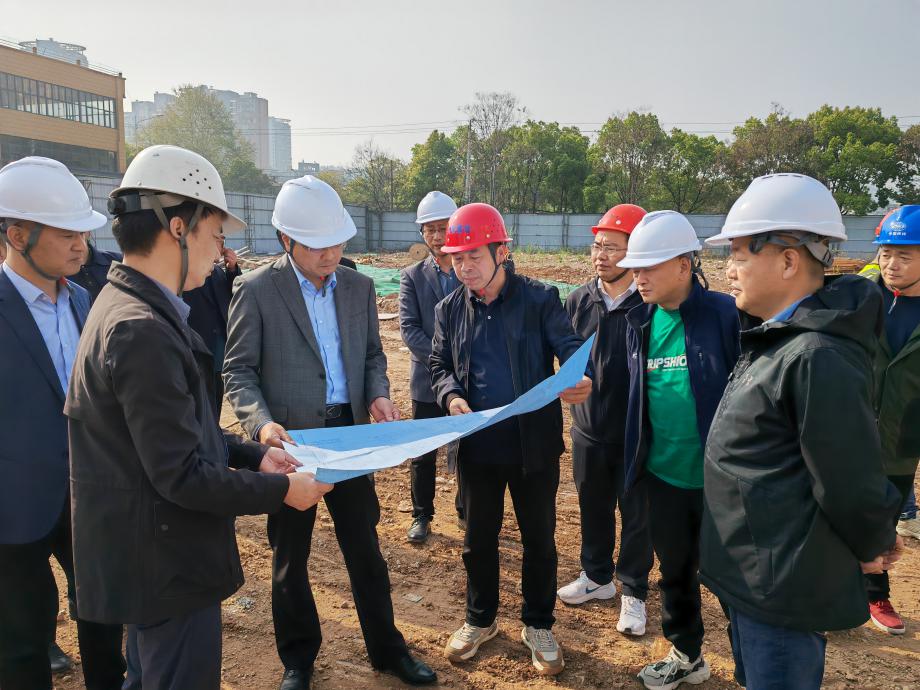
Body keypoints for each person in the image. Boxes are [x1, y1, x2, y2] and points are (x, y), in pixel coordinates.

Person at [65, 145, 331, 690]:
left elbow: (180, 432)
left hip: (148, 557)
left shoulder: (128, 305)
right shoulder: (141, 329)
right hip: (166, 566)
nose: (220, 252)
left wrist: (255, 454)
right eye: (215, 234)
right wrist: (283, 491)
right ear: (178, 227)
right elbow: (181, 475)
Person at [223, 175, 437, 689]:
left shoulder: (358, 286)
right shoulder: (256, 289)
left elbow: (372, 355)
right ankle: (298, 660)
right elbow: (239, 371)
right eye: (317, 245)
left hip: (349, 436)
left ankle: (388, 651)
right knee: (290, 556)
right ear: (285, 239)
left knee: (365, 548)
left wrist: (377, 393)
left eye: (337, 242)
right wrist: (261, 424)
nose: (330, 254)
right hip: (291, 444)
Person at [700, 173, 904, 689]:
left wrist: (873, 540)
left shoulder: (816, 354)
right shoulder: (780, 336)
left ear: (789, 260)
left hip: (782, 584)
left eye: (740, 254)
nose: (729, 270)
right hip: (757, 571)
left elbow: (848, 475)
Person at [430, 202, 592, 677]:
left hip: (531, 447)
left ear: (501, 251)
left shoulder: (540, 299)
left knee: (539, 539)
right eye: (457, 258)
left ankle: (538, 624)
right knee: (477, 540)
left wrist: (578, 376)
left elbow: (569, 347)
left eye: (474, 256)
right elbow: (439, 365)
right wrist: (451, 396)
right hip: (477, 447)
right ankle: (480, 620)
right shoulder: (449, 309)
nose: (464, 267)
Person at [0, 156, 125, 690]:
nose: (82, 246)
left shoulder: (84, 301)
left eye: (84, 233)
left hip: (90, 496)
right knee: (21, 644)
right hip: (14, 507)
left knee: (104, 625)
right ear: (17, 235)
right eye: (67, 234)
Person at [618, 210, 740, 690]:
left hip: (722, 482)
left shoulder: (726, 315)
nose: (639, 277)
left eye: (649, 267)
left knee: (734, 579)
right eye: (635, 268)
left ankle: (753, 664)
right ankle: (687, 654)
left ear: (685, 265)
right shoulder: (640, 320)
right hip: (664, 475)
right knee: (675, 572)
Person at [557, 204, 654, 639]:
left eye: (613, 247)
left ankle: (633, 590)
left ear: (637, 252)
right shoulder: (580, 300)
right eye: (598, 246)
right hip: (588, 429)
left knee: (637, 514)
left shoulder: (650, 304)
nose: (601, 255)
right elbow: (565, 358)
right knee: (593, 506)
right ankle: (596, 577)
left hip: (636, 433)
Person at [856, 204, 920, 634]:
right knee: (829, 511)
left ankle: (876, 595)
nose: (891, 264)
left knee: (883, 519)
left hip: (902, 439)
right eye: (885, 253)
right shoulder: (860, 298)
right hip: (848, 430)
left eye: (904, 255)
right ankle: (829, 592)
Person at [399, 190, 464, 543]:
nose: (437, 237)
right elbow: (410, 330)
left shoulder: (469, 269)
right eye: (430, 230)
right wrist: (445, 363)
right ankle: (422, 514)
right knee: (423, 453)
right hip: (427, 380)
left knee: (466, 449)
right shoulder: (412, 276)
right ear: (422, 233)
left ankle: (465, 509)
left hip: (467, 380)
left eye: (443, 228)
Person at [182, 235, 242, 407]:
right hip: (197, 345)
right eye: (217, 242)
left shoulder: (218, 271)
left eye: (222, 244)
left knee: (216, 395)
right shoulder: (187, 271)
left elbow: (234, 294)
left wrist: (232, 270)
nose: (220, 249)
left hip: (219, 346)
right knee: (199, 400)